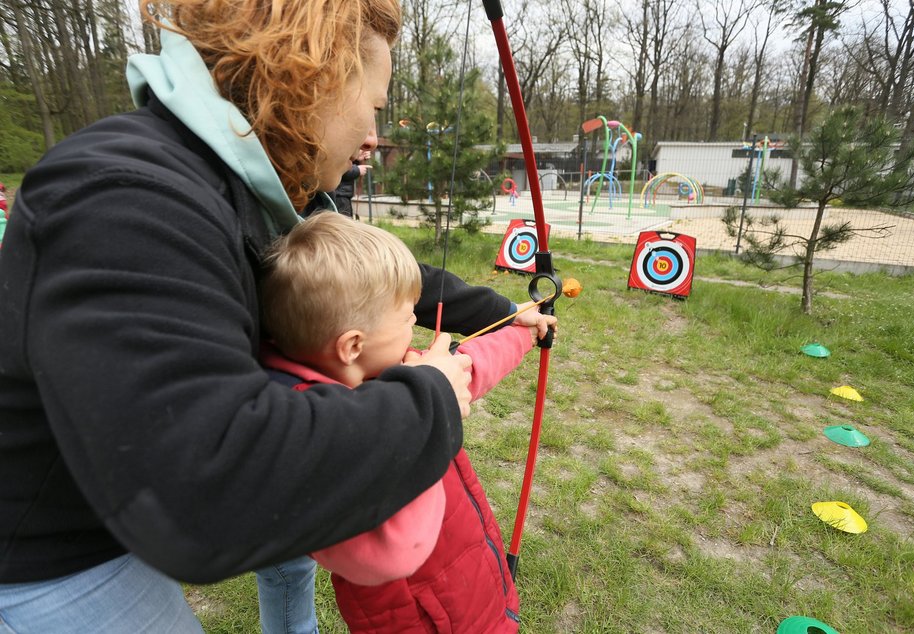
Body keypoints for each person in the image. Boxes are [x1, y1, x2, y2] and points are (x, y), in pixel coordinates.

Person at [0, 0, 554, 630]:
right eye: (373, 106)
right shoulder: (126, 194)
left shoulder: (228, 185)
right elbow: (204, 488)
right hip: (44, 563)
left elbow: (378, 284)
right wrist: (433, 397)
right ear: (315, 76)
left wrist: (510, 312)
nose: (373, 135)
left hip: (103, 508)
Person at [260, 212, 550, 632]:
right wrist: (424, 402)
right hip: (418, 613)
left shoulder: (382, 370)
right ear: (353, 344)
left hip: (461, 575)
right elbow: (396, 548)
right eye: (406, 316)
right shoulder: (328, 434)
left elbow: (470, 367)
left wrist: (522, 332)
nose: (416, 321)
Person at [332, 149, 372, 218]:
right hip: (339, 195)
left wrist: (357, 159)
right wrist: (357, 170)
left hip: (342, 194)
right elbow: (337, 167)